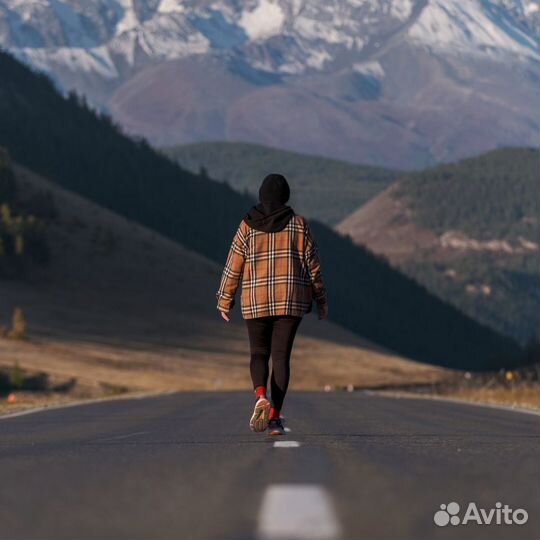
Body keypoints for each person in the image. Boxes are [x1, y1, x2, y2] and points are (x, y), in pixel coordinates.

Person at [216, 173, 328, 436]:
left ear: (261, 196)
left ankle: (259, 396)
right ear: (286, 196)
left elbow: (233, 265)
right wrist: (321, 300)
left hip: (255, 300)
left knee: (258, 353)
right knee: (281, 358)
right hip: (290, 301)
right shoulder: (299, 226)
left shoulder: (247, 226)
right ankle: (275, 418)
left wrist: (225, 299)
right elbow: (314, 269)